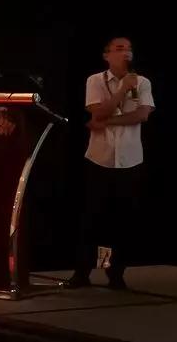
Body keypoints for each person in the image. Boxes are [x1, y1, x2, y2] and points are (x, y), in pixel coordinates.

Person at [67, 37, 154, 290]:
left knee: (124, 220)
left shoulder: (142, 82)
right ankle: (82, 272)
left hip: (130, 160)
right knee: (92, 218)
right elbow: (98, 111)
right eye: (119, 48)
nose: (126, 52)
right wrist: (122, 90)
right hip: (100, 158)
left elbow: (142, 115)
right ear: (107, 55)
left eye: (129, 48)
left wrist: (105, 122)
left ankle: (116, 273)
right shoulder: (95, 80)